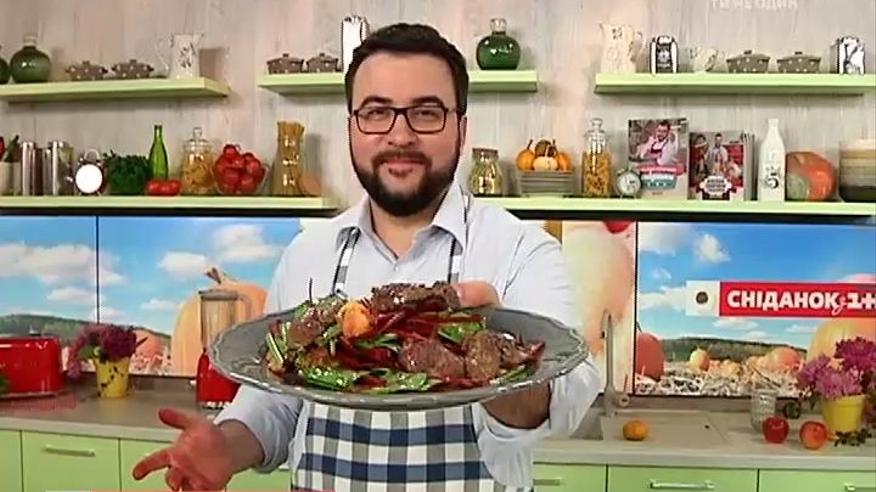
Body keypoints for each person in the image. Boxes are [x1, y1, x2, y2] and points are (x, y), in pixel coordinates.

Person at [133, 23, 600, 492]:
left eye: (426, 113)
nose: (400, 135)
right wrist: (225, 447)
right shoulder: (308, 253)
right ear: (352, 128)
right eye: (377, 113)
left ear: (462, 128)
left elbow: (565, 400)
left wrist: (492, 360)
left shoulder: (522, 250)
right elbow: (274, 402)